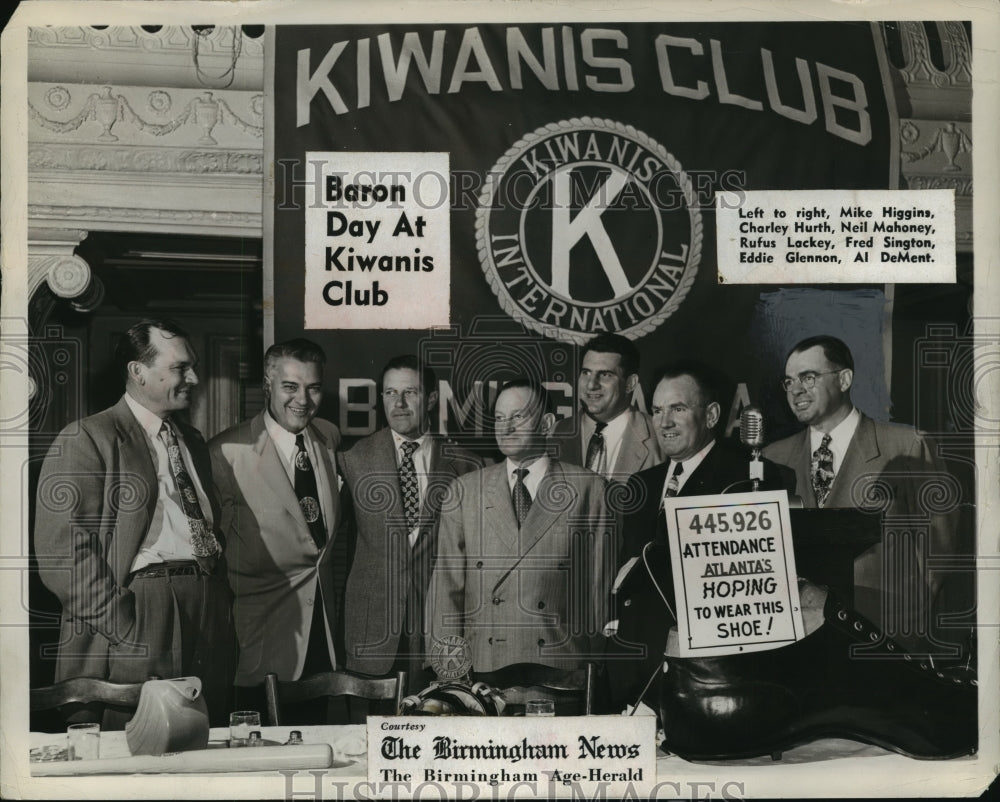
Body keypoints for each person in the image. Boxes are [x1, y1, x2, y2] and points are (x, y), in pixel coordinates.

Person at [35, 319, 236, 727]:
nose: (194, 378)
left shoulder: (192, 441)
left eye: (192, 366)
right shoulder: (88, 438)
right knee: (133, 754)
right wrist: (124, 625)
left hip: (206, 610)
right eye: (180, 367)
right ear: (138, 371)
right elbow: (62, 554)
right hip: (140, 612)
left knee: (204, 751)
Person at [605, 360, 791, 712]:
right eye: (657, 410)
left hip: (706, 681)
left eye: (678, 408)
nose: (664, 422)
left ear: (711, 415)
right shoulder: (641, 485)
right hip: (635, 680)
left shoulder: (748, 479)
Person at [762, 335, 958, 643]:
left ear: (844, 379)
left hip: (884, 638)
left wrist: (902, 632)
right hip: (800, 642)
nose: (796, 390)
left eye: (808, 377)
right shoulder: (774, 457)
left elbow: (939, 553)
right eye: (788, 382)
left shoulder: (907, 445)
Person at [427, 379, 613, 674]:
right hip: (482, 671)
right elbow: (445, 596)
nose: (506, 427)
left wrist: (593, 672)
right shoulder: (465, 491)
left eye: (518, 416)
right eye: (499, 418)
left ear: (547, 423)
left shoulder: (589, 489)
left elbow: (598, 591)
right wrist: (449, 676)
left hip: (561, 669)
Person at [338, 355, 483, 693]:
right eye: (390, 393)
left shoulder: (467, 464)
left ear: (431, 398)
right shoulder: (352, 458)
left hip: (442, 625)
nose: (398, 403)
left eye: (410, 393)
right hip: (372, 629)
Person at [209, 338, 342, 707]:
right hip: (258, 648)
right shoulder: (225, 454)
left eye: (313, 387)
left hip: (323, 644)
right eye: (290, 387)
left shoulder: (327, 438)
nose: (303, 399)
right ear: (267, 384)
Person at [549, 332, 663, 481]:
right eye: (586, 373)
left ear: (630, 383)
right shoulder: (553, 435)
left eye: (605, 375)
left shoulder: (659, 438)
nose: (591, 384)